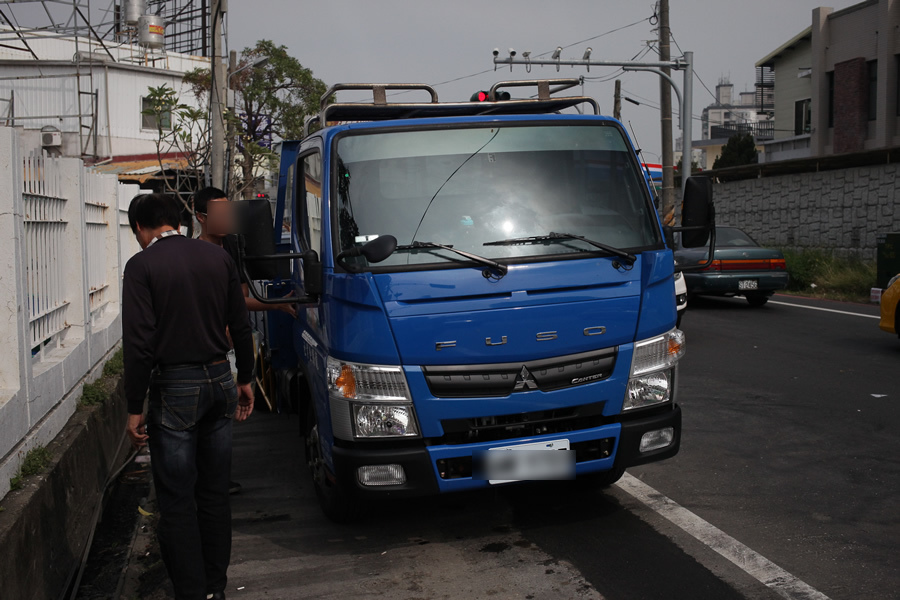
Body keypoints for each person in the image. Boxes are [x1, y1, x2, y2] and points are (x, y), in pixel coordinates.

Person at [123, 193, 254, 600]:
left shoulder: (141, 266)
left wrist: (134, 407)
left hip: (175, 388)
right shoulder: (217, 259)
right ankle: (216, 588)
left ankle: (192, 593)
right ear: (177, 221)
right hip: (220, 379)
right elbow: (240, 322)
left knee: (177, 500)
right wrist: (246, 377)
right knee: (214, 496)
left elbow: (140, 344)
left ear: (141, 228)